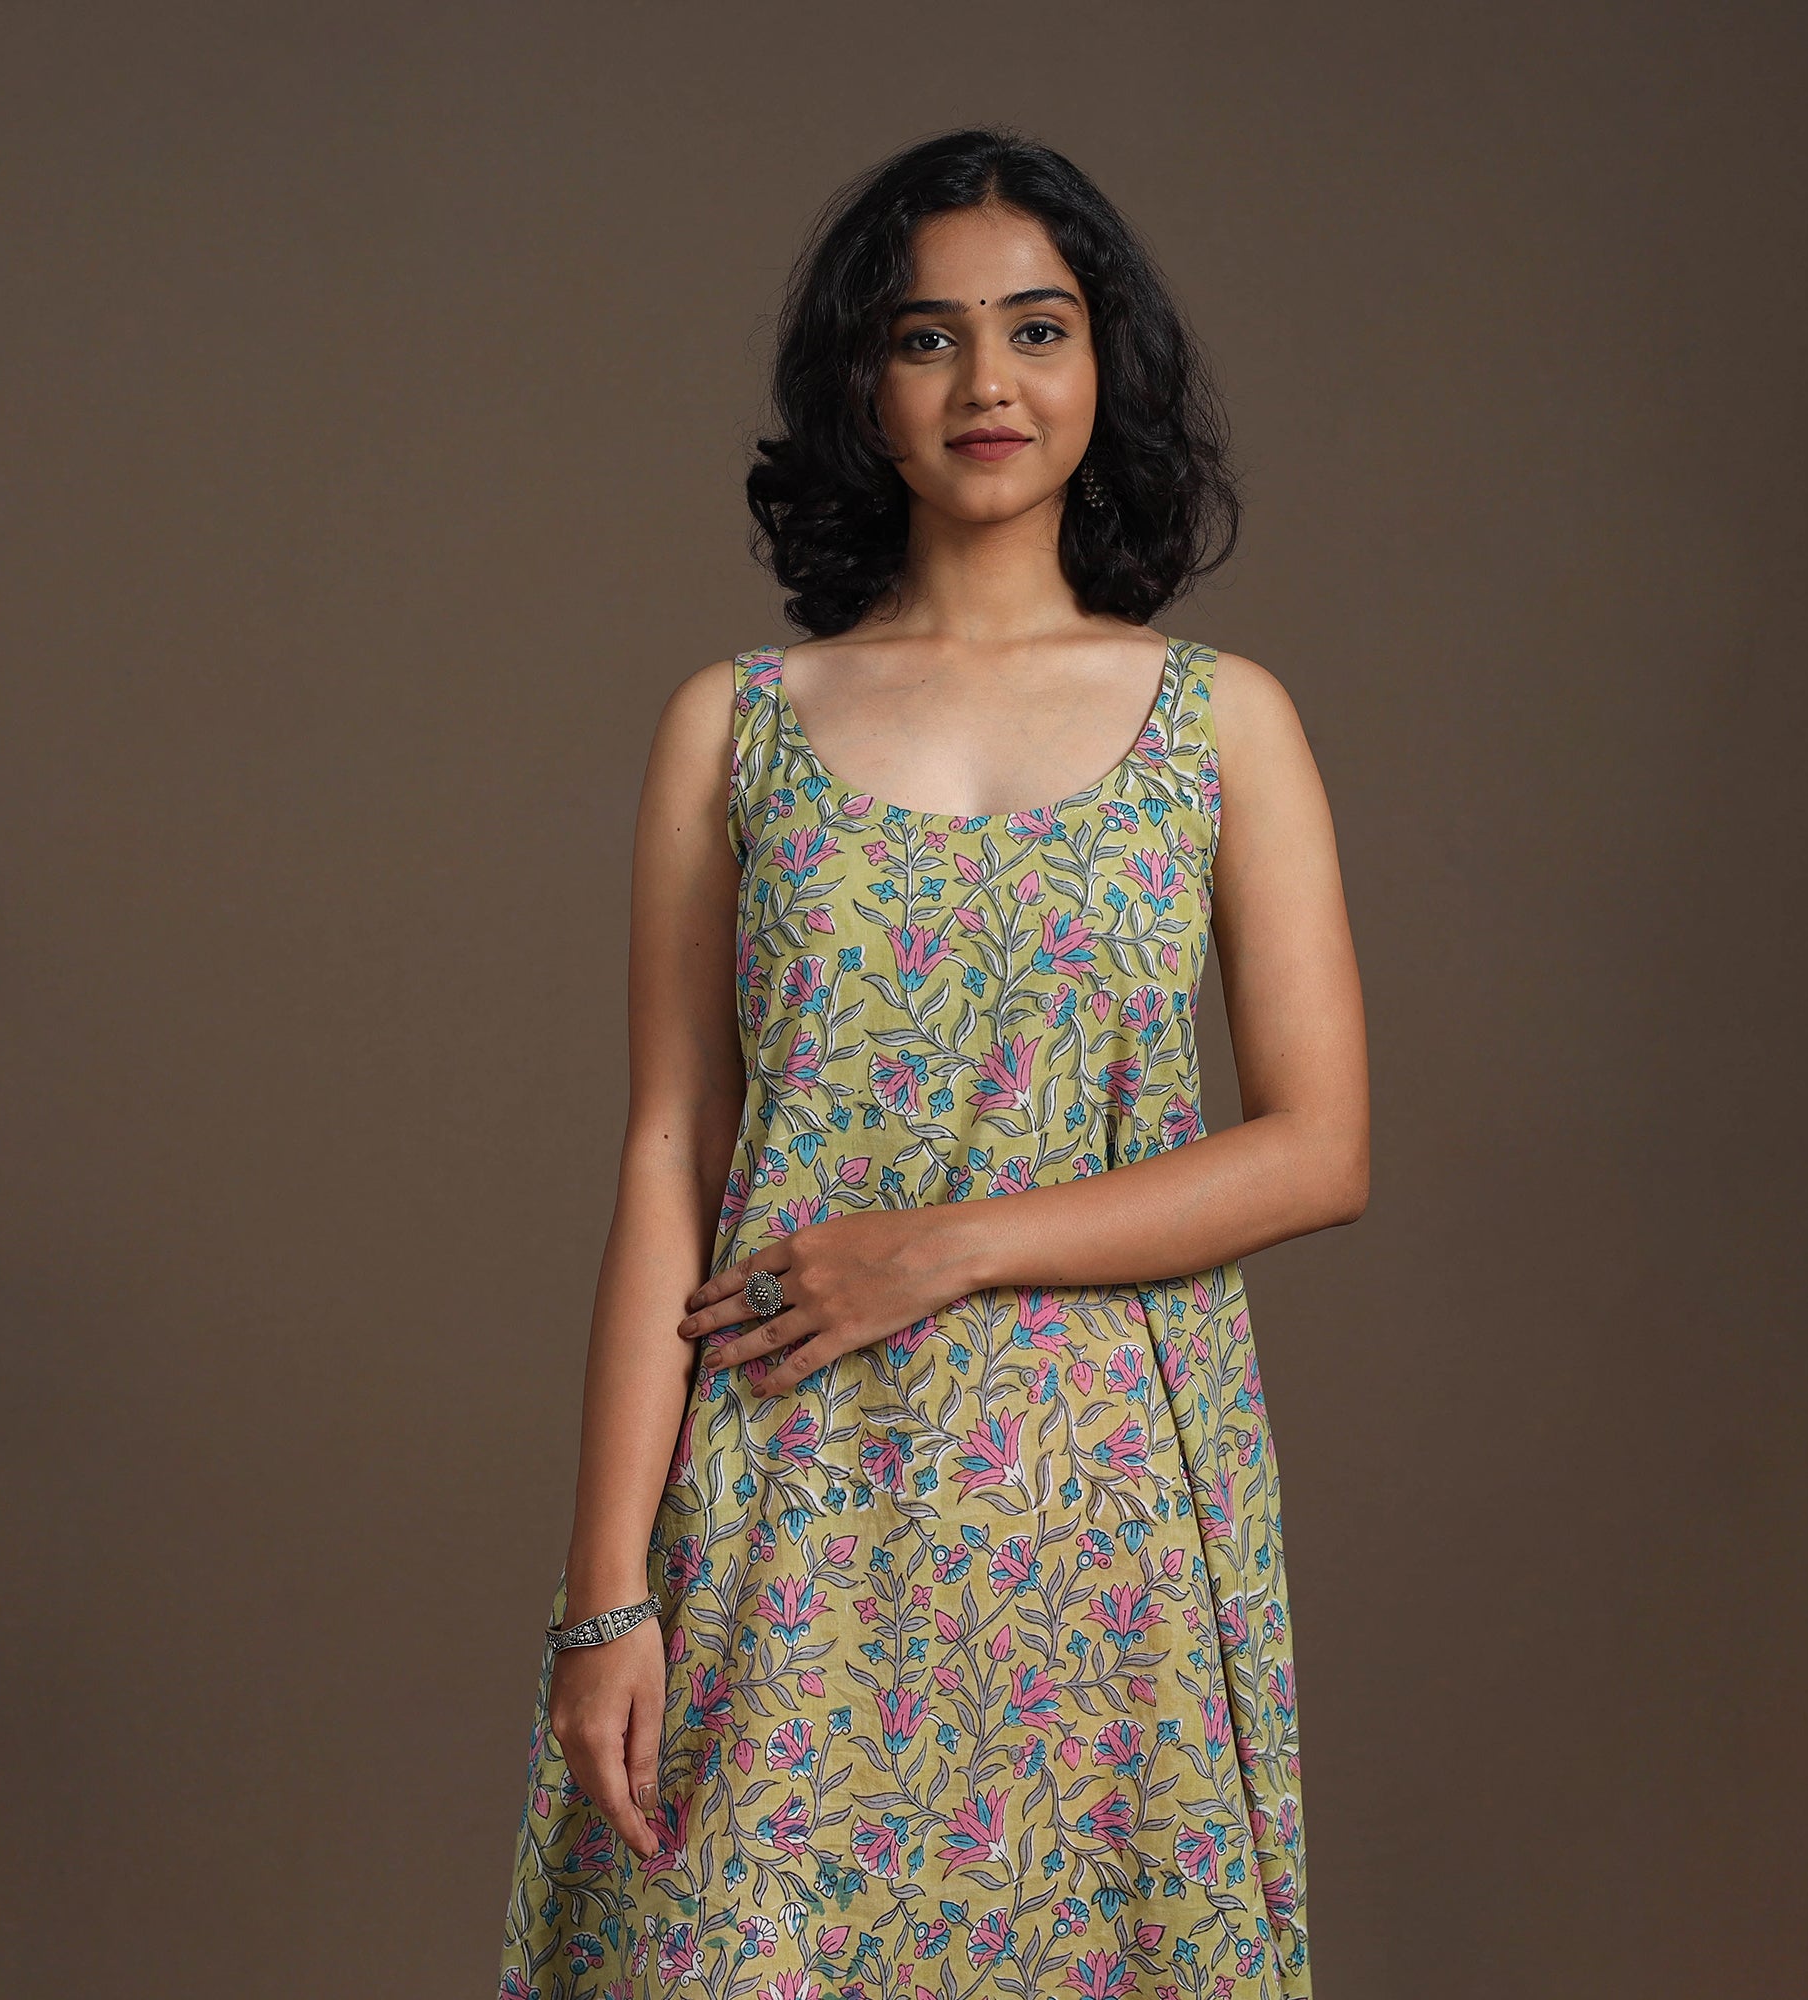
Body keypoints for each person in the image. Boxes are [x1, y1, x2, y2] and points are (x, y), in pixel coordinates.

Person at [498, 126, 1368, 2000]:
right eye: (927, 337)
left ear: (1105, 367)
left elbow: (1320, 1147)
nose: (989, 381)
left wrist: (945, 1249)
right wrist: (603, 1594)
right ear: (860, 386)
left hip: (1109, 1516)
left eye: (1038, 329)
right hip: (788, 1486)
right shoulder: (733, 727)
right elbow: (669, 1156)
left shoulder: (1224, 723)